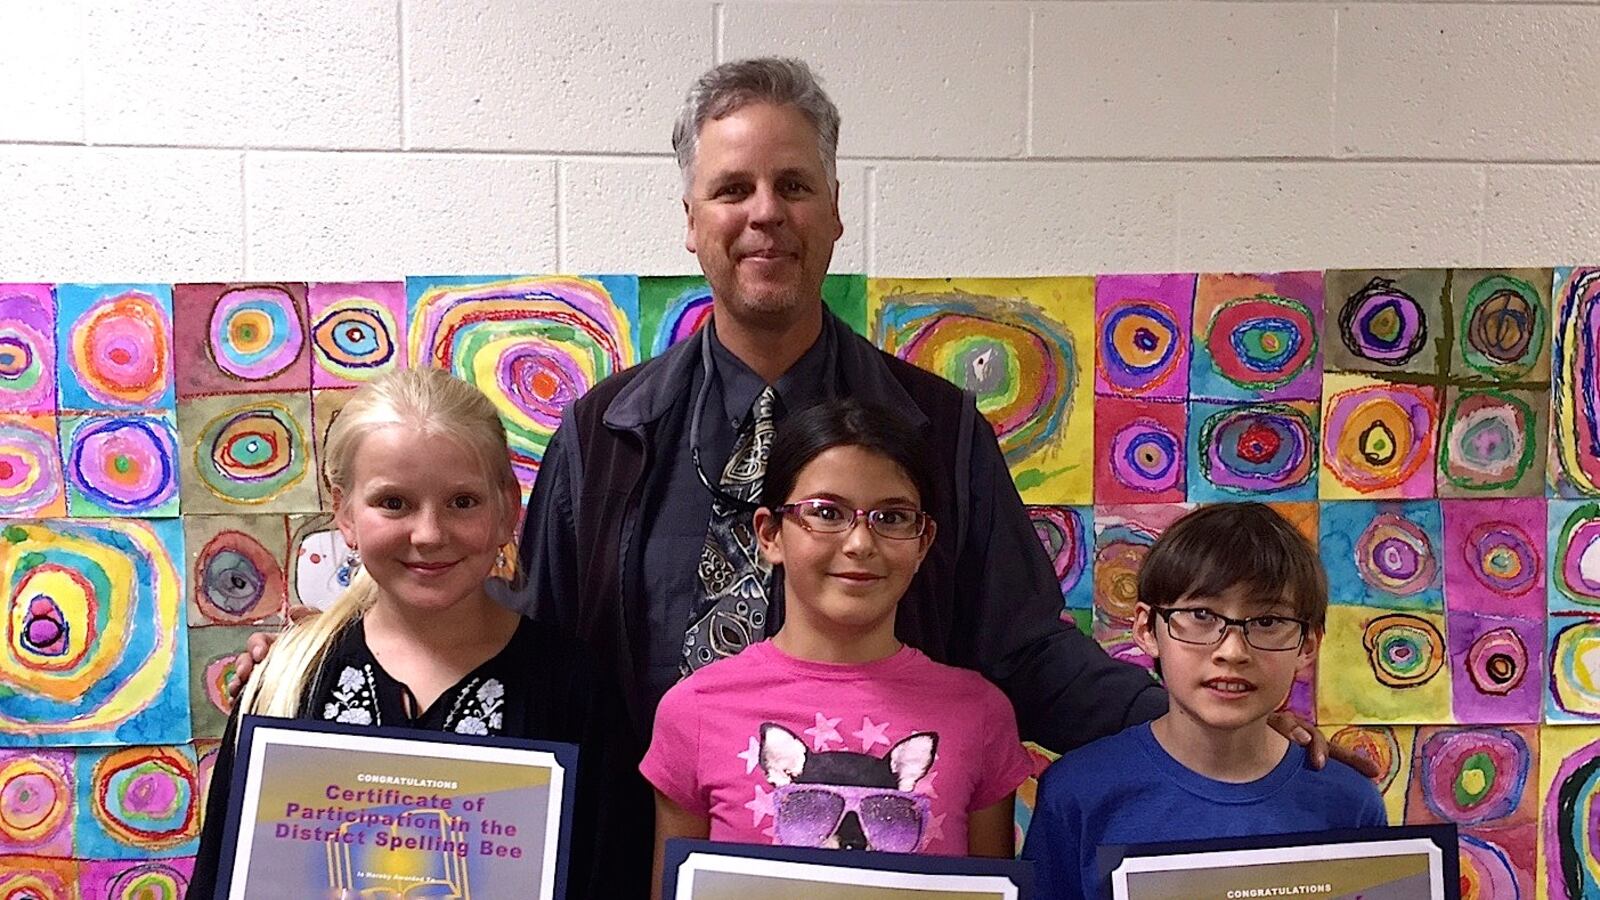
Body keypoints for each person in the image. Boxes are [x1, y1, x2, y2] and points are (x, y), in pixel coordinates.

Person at [230, 56, 1366, 894]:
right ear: (691, 221)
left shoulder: (936, 428)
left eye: (793, 185)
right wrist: (317, 660)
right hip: (648, 859)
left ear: (834, 212)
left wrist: (1211, 719)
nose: (763, 214)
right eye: (732, 190)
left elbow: (1026, 648)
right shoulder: (606, 430)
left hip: (893, 868)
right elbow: (523, 638)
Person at [191, 368, 609, 897]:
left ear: (508, 509)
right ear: (345, 513)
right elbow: (219, 879)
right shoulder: (284, 682)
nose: (429, 534)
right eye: (394, 503)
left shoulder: (575, 687)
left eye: (463, 501)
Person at [641, 399, 1032, 897]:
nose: (860, 543)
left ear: (923, 541)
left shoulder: (980, 714)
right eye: (826, 513)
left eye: (892, 517)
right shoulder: (694, 710)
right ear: (770, 534)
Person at [1020, 503, 1387, 900]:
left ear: (1308, 645)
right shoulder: (1077, 792)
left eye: (1267, 622)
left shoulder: (1349, 802)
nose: (1232, 651)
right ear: (1147, 629)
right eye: (1200, 615)